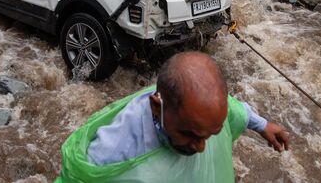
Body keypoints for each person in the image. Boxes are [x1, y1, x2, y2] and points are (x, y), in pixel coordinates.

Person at [56, 52, 289, 182]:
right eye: (190, 134)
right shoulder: (112, 152)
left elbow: (232, 108)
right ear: (156, 107)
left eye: (211, 135)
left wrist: (262, 125)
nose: (201, 147)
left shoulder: (204, 115)